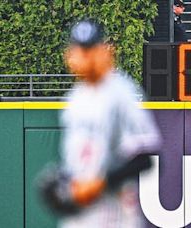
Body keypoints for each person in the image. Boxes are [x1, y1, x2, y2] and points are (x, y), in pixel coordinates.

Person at [38, 19, 161, 228]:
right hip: (79, 218)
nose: (86, 57)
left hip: (115, 216)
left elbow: (145, 158)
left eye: (91, 49)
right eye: (80, 50)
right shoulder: (74, 99)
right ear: (70, 55)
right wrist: (65, 183)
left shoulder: (122, 93)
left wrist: (100, 184)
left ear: (105, 52)